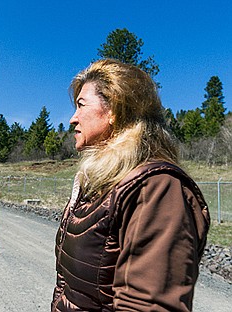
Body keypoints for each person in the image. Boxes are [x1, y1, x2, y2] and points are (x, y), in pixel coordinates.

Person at [52, 59, 210, 311]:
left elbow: (149, 305)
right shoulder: (100, 184)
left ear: (114, 109)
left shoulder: (156, 187)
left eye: (81, 105)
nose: (73, 119)